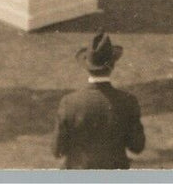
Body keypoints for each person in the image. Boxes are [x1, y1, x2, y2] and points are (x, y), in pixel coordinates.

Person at [53, 32, 145, 170]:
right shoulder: (128, 101)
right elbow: (137, 146)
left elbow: (57, 150)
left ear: (87, 67)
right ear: (112, 66)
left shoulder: (69, 103)